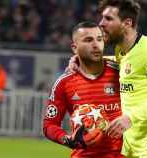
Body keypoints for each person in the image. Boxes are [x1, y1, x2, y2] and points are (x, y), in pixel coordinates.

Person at [68, 0, 147, 157]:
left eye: (108, 19)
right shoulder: (122, 50)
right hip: (131, 144)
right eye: (102, 18)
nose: (101, 24)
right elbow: (124, 63)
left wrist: (130, 118)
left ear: (127, 23)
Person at [43, 21, 123, 158]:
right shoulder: (64, 83)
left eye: (99, 39)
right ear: (75, 48)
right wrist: (68, 139)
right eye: (88, 40)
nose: (96, 44)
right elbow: (49, 125)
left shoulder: (122, 72)